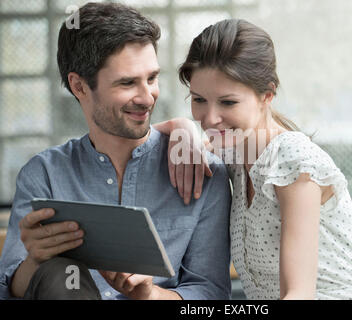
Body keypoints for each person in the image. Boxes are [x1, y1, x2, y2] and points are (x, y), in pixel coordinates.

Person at [0, 2, 231, 300]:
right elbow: (8, 290)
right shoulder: (44, 174)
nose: (147, 97)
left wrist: (150, 295)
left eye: (152, 78)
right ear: (80, 86)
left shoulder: (203, 170)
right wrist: (35, 261)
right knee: (57, 272)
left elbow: (210, 294)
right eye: (127, 83)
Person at [167, 19, 352, 300]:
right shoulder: (232, 148)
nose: (210, 118)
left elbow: (299, 294)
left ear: (266, 95)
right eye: (198, 100)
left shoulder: (293, 160)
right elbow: (158, 135)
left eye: (228, 102)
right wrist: (178, 126)